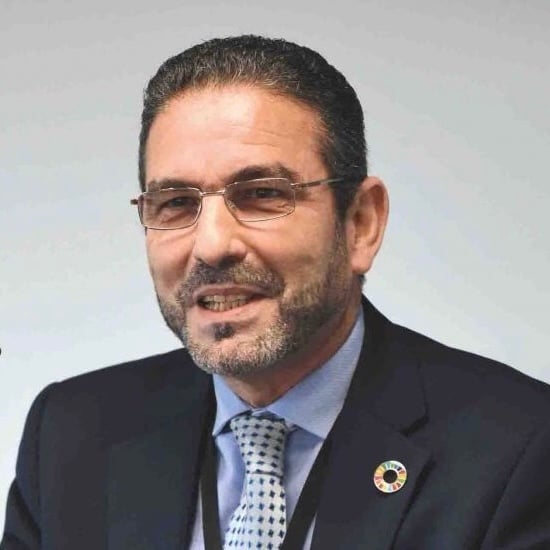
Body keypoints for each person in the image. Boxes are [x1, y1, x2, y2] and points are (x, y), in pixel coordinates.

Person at [2, 35, 550, 550]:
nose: (211, 245)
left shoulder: (520, 450)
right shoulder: (71, 435)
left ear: (360, 223)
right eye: (175, 204)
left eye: (261, 194)